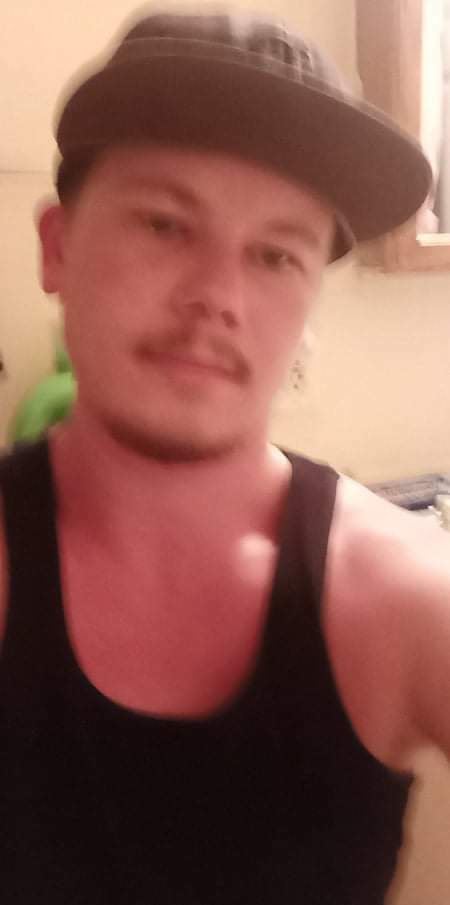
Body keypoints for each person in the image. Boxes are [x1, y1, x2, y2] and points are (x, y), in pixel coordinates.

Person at [0, 9, 448, 905]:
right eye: (166, 224)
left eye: (276, 255)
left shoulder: (403, 595)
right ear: (57, 247)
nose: (218, 297)